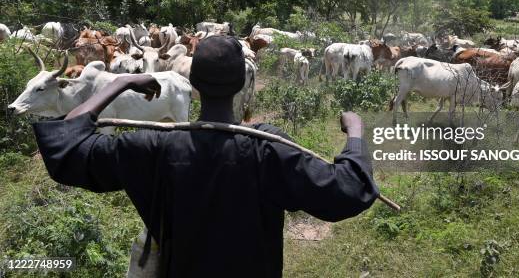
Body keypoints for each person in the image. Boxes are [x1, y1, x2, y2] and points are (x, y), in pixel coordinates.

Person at [32, 35, 379, 277]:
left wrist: (117, 84)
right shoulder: (268, 148)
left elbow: (68, 148)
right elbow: (348, 191)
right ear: (244, 82)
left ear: (192, 82)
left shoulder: (155, 147)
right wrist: (356, 133)